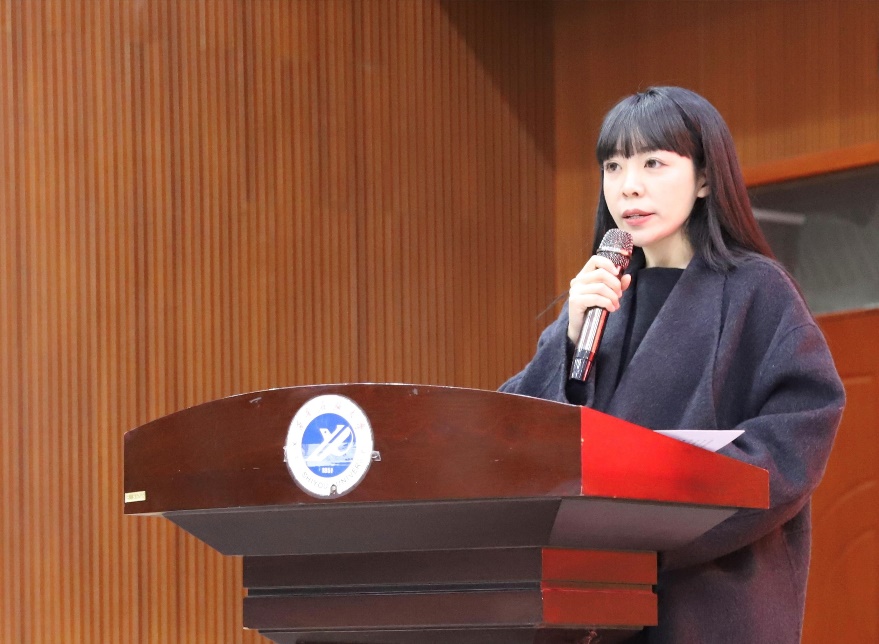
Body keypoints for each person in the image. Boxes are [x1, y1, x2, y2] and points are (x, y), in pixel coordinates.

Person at [500, 87, 845, 643]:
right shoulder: (599, 297)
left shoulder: (757, 290)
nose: (628, 185)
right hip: (594, 601)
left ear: (705, 178)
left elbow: (797, 434)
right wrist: (566, 340)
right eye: (613, 166)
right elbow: (515, 434)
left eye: (653, 163)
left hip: (710, 597)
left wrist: (663, 510)